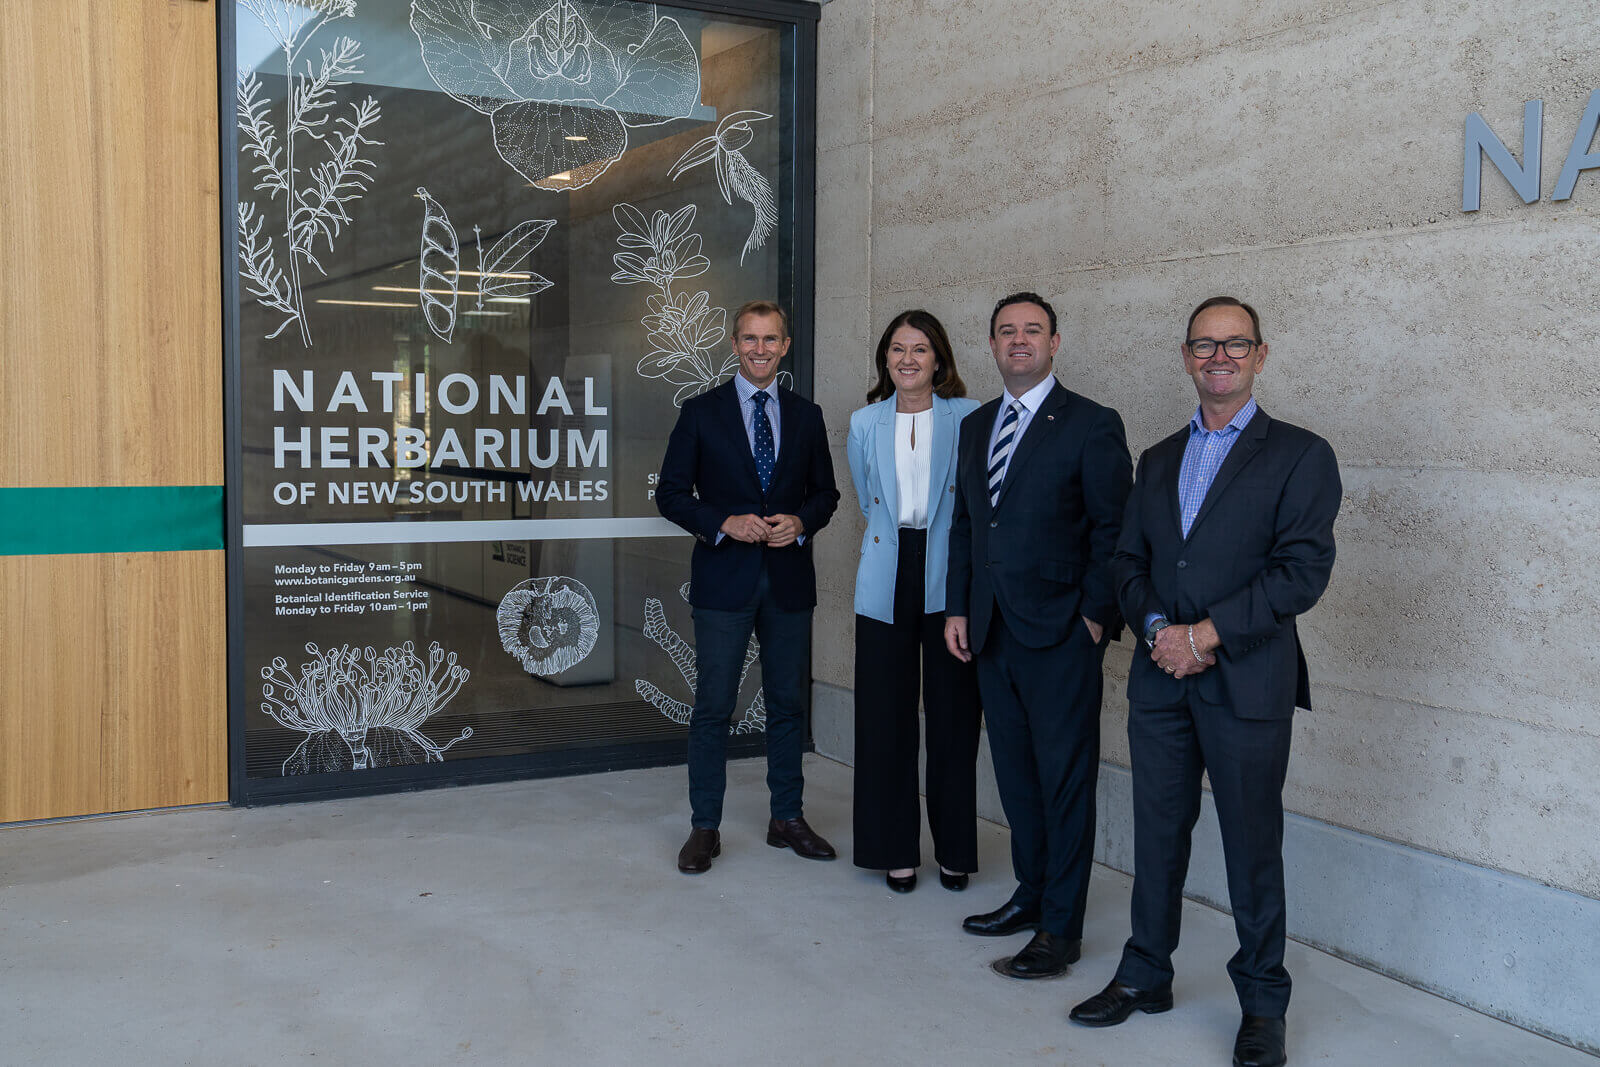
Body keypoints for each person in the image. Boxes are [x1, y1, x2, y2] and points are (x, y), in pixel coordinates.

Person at [1069, 296, 1341, 1067]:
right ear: (1186, 357)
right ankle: (1145, 971)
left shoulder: (1299, 454)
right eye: (1204, 345)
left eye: (1235, 345)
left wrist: (1206, 635)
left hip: (1246, 684)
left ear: (1260, 355)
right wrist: (1159, 632)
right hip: (1161, 682)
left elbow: (1301, 572)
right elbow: (1127, 561)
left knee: (1253, 846)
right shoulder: (1156, 459)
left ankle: (1262, 1003)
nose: (1218, 357)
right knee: (1156, 837)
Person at [944, 292, 1132, 979]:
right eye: (1005, 331)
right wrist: (959, 607)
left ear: (1055, 342)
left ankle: (1061, 927)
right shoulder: (976, 425)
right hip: (991, 630)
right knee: (1018, 779)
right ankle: (1031, 893)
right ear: (991, 346)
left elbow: (1116, 530)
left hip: (1060, 634)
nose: (1018, 341)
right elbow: (968, 523)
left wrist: (1093, 617)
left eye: (1031, 331)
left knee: (1064, 782)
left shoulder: (1091, 424)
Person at [656, 300, 841, 874]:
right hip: (723, 581)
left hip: (788, 582)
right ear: (734, 344)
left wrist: (802, 521)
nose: (760, 349)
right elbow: (670, 494)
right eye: (749, 339)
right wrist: (721, 523)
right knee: (714, 707)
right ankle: (704, 827)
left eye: (771, 340)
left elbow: (826, 494)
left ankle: (786, 817)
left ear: (785, 346)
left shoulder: (806, 416)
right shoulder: (700, 412)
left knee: (787, 706)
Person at [846, 310, 983, 894]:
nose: (907, 359)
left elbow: (975, 501)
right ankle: (892, 849)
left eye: (920, 349)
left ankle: (954, 850)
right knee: (883, 718)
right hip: (885, 573)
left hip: (950, 573)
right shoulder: (863, 421)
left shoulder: (971, 416)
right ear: (885, 360)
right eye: (897, 349)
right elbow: (866, 498)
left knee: (954, 718)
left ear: (939, 359)